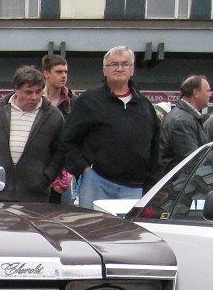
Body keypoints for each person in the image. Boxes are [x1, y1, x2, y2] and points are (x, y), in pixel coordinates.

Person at [60, 46, 160, 209]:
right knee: (92, 225)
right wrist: (83, 168)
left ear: (132, 70)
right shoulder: (89, 101)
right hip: (97, 183)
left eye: (125, 64)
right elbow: (68, 140)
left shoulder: (144, 106)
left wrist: (152, 181)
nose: (120, 68)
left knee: (129, 227)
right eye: (114, 64)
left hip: (135, 188)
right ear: (104, 70)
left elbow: (155, 146)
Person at [0, 65, 64, 203]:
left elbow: (61, 152)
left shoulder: (53, 116)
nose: (34, 97)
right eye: (28, 92)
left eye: (38, 92)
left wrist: (46, 178)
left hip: (35, 195)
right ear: (16, 90)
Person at [41, 54, 78, 204]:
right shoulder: (36, 101)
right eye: (59, 72)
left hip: (63, 175)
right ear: (46, 73)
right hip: (38, 170)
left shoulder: (73, 103)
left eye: (66, 72)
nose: (64, 76)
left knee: (62, 215)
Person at [159, 75, 211, 172]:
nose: (210, 95)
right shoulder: (182, 121)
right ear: (196, 92)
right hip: (179, 180)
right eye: (207, 91)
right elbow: (191, 162)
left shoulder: (187, 117)